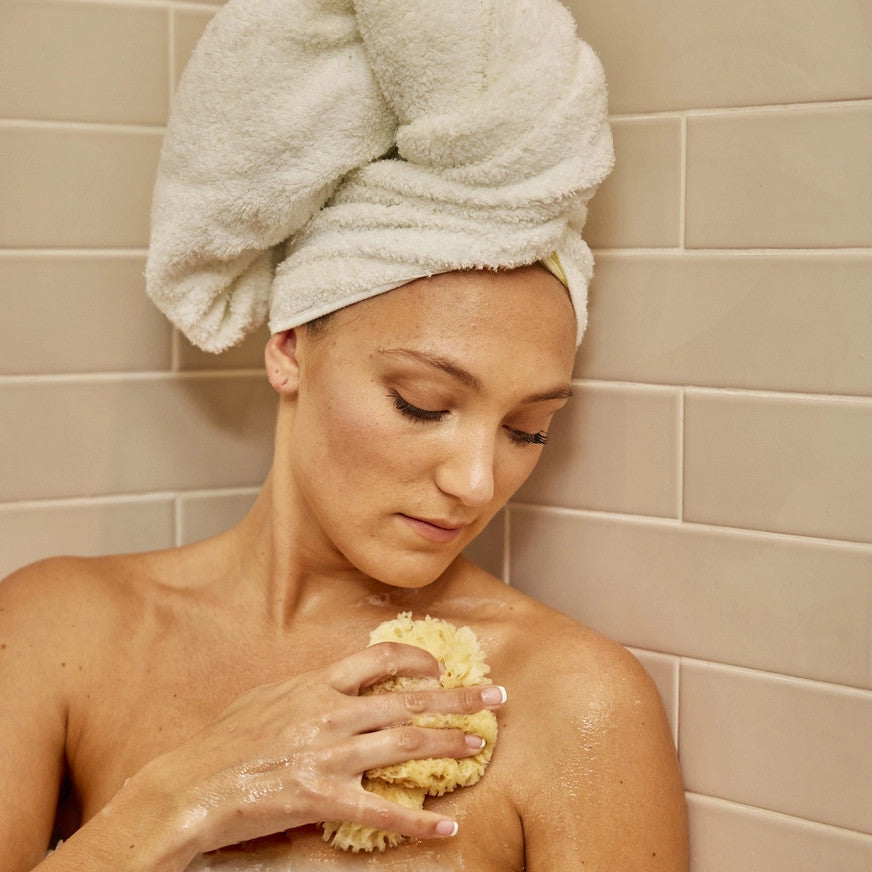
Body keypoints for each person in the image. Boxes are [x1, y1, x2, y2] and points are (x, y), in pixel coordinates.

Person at [0, 2, 688, 870]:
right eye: (423, 403)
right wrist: (191, 795)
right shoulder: (64, 632)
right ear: (289, 346)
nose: (476, 480)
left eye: (528, 428)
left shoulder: (572, 700)